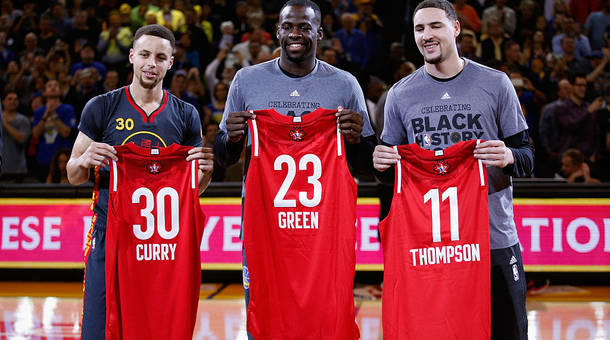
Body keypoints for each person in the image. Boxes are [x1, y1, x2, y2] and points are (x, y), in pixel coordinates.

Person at [214, 0, 376, 337]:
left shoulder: (345, 85)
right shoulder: (246, 81)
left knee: (324, 320)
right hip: (265, 231)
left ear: (320, 32)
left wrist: (358, 139)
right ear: (277, 31)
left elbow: (370, 164)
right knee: (265, 316)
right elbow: (221, 158)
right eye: (288, 26)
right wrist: (230, 140)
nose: (295, 34)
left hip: (324, 234)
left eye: (304, 26)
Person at [372, 1, 533, 339]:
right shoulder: (400, 95)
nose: (426, 36)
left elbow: (528, 157)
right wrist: (381, 166)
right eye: (419, 29)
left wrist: (508, 155)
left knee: (509, 333)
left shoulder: (495, 83)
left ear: (456, 28)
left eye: (434, 26)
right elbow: (391, 177)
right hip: (433, 248)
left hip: (493, 239)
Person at [66, 24, 213, 340]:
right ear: (132, 56)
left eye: (161, 57)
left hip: (160, 245)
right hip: (111, 235)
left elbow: (194, 187)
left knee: (154, 328)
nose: (152, 63)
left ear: (170, 63)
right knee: (99, 329)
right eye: (145, 54)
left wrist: (207, 171)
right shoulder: (101, 107)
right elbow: (73, 174)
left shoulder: (186, 115)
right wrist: (85, 159)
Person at [32, 79, 76, 182]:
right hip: (44, 158)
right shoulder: (39, 111)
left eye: (56, 85)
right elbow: (35, 134)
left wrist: (54, 115)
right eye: (49, 86)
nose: (52, 87)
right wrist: (45, 117)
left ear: (60, 91)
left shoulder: (68, 109)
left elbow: (66, 133)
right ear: (44, 92)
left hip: (63, 159)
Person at [0, 91, 30, 182]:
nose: (13, 101)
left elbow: (22, 139)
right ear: (3, 102)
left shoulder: (23, 120)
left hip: (17, 169)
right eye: (10, 99)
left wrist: (4, 123)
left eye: (15, 99)